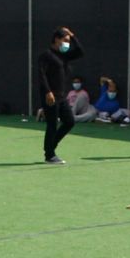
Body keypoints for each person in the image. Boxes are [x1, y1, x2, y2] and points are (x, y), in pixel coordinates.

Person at [36, 26, 82, 164]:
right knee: (52, 124)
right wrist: (48, 92)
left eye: (68, 40)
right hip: (50, 96)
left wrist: (73, 36)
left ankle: (50, 146)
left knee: (69, 121)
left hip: (62, 96)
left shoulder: (64, 56)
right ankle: (49, 155)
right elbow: (41, 74)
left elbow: (80, 52)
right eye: (65, 40)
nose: (67, 43)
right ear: (56, 40)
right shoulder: (46, 55)